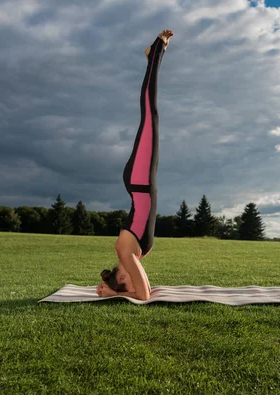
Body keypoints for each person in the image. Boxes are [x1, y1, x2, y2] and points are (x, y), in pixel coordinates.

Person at [96, 29, 174, 301]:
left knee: (150, 114)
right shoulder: (133, 254)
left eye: (125, 284)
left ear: (120, 276)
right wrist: (111, 292)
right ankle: (154, 56)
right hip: (140, 181)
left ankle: (155, 54)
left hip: (140, 181)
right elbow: (144, 291)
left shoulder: (125, 252)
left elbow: (143, 295)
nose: (134, 278)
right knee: (150, 117)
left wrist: (111, 293)